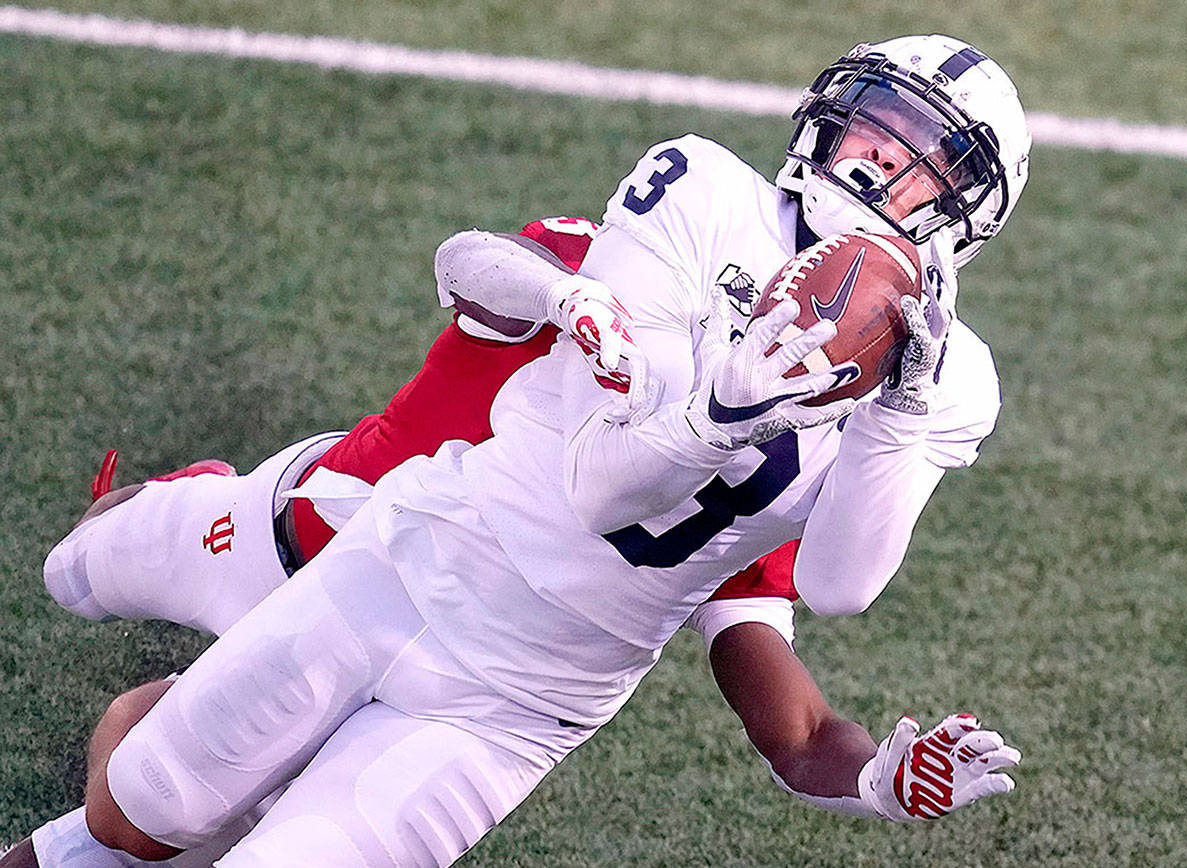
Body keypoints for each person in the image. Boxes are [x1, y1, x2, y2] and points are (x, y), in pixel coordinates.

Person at [25, 34, 1030, 868]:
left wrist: (894, 420)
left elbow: (841, 584)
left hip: (517, 698)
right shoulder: (703, 197)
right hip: (393, 548)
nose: (871, 158)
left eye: (914, 154)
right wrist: (697, 392)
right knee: (137, 800)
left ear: (964, 209)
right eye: (870, 122)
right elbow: (599, 479)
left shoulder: (951, 378)